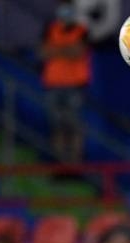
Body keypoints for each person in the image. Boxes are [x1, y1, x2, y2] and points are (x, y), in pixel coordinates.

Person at [40, 0, 91, 163]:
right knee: (56, 126)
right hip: (53, 84)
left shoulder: (81, 30)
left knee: (74, 126)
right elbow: (42, 52)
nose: (64, 11)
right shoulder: (50, 28)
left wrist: (55, 50)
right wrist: (66, 49)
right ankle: (60, 162)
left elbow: (78, 52)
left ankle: (76, 161)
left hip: (74, 86)